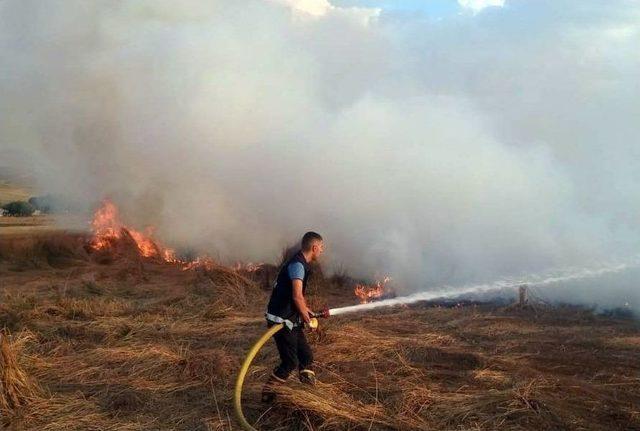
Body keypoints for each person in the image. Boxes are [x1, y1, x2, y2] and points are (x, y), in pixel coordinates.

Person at [262, 231, 325, 402]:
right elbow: (297, 296)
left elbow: (296, 297)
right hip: (282, 322)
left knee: (306, 357)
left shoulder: (300, 263)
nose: (322, 250)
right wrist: (306, 317)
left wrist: (306, 310)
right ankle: (267, 395)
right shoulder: (297, 265)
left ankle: (308, 395)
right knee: (290, 362)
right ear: (314, 247)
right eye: (321, 247)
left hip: (291, 320)